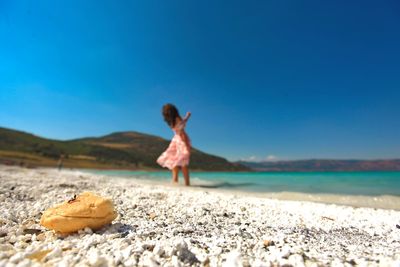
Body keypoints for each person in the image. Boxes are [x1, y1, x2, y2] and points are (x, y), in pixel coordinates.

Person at [157, 104, 191, 186]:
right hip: (181, 139)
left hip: (175, 140)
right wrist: (186, 144)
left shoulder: (170, 122)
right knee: (184, 163)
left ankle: (175, 182)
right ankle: (187, 184)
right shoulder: (177, 119)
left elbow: (181, 124)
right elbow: (182, 128)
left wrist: (187, 116)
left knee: (175, 161)